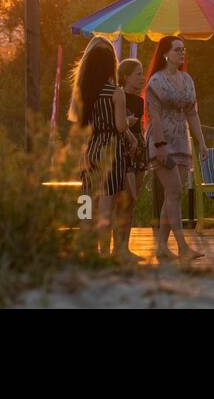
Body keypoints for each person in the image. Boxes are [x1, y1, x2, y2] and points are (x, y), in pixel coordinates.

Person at [69, 37, 138, 260]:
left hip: (91, 148)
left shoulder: (86, 93)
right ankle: (104, 252)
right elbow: (119, 126)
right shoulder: (116, 93)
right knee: (108, 201)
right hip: (112, 150)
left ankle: (85, 248)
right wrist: (129, 123)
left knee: (88, 199)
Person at [144, 35, 208, 263]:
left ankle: (161, 246)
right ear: (165, 53)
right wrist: (160, 145)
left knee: (173, 195)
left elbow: (192, 113)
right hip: (162, 141)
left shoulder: (187, 79)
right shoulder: (156, 82)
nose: (182, 53)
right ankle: (182, 246)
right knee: (174, 192)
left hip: (182, 140)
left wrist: (201, 141)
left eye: (183, 49)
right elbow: (155, 116)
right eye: (177, 49)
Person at [114, 57, 147, 261]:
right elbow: (117, 125)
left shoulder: (140, 100)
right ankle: (118, 247)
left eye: (143, 73)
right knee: (124, 199)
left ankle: (124, 247)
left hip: (139, 149)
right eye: (138, 74)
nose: (142, 78)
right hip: (124, 150)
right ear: (126, 76)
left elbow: (139, 128)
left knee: (132, 200)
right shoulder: (119, 96)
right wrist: (126, 122)